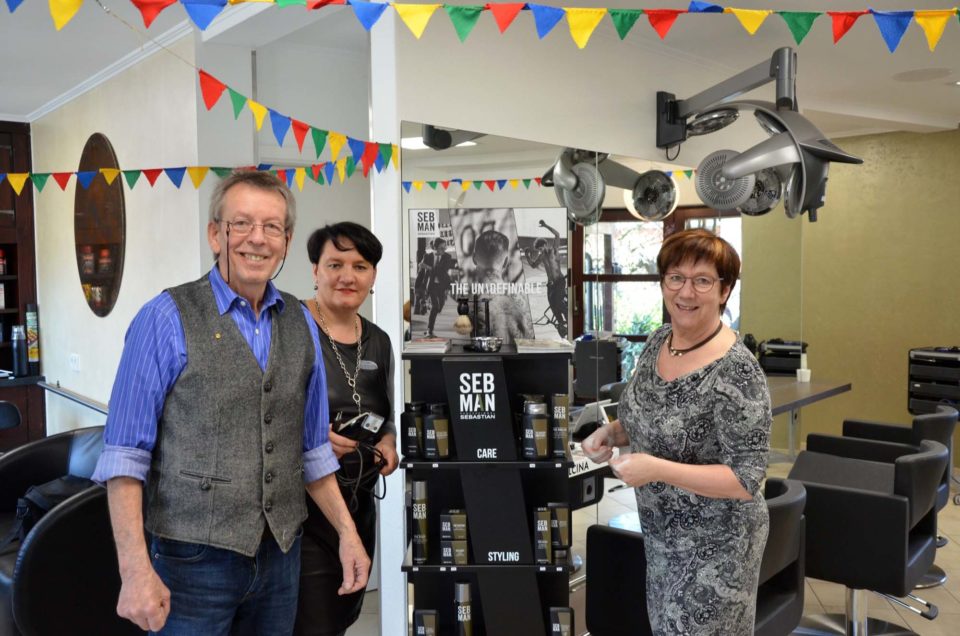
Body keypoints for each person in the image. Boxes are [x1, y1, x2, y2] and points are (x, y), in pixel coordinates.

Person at [92, 171, 369, 635]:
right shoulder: (165, 318)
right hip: (191, 561)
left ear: (286, 241)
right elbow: (124, 457)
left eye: (272, 226)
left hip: (281, 556)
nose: (256, 238)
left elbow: (313, 451)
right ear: (214, 234)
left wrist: (347, 533)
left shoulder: (302, 323)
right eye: (241, 223)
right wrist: (135, 570)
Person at [582, 228, 771, 635]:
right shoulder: (659, 342)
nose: (686, 292)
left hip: (719, 545)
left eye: (702, 280)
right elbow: (651, 418)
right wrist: (611, 434)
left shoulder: (737, 370)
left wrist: (656, 469)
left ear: (724, 290)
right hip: (663, 537)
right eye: (675, 277)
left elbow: (747, 478)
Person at [295, 222, 399, 636]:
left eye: (360, 266)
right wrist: (313, 438)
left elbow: (386, 416)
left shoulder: (379, 341)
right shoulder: (291, 327)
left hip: (360, 503)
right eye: (335, 264)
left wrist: (388, 442)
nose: (347, 276)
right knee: (313, 620)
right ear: (315, 270)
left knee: (341, 617)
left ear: (373, 276)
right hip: (303, 513)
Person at [525, 219, 568, 337]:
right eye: (539, 250)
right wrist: (527, 256)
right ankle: (561, 324)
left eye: (541, 249)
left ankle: (568, 318)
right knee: (552, 305)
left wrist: (545, 225)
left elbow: (557, 234)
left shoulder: (554, 250)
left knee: (558, 301)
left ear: (544, 245)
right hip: (551, 285)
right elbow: (533, 265)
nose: (540, 251)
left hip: (559, 281)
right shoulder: (542, 256)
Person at [415, 237, 458, 337]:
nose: (444, 250)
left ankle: (428, 305)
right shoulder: (427, 256)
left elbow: (442, 271)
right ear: (435, 247)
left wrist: (428, 267)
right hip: (431, 285)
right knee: (435, 306)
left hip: (442, 285)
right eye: (441, 248)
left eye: (444, 248)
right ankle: (430, 330)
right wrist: (417, 287)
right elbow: (421, 273)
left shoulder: (447, 257)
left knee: (439, 307)